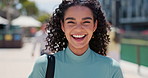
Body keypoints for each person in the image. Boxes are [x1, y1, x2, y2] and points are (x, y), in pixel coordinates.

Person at [29, 0, 124, 78]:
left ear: (94, 26)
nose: (78, 29)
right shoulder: (44, 65)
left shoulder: (112, 68)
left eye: (86, 22)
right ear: (63, 26)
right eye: (71, 22)